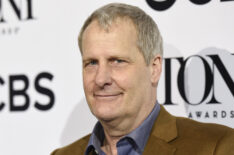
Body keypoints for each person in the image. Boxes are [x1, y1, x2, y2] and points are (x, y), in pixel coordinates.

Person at [51, 3, 234, 155]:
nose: (101, 79)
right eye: (91, 63)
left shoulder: (216, 146)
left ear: (154, 68)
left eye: (117, 61)